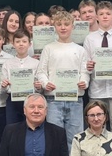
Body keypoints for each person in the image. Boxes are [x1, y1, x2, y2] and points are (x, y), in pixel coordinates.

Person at [36, 10, 90, 148]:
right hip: (53, 100)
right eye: (59, 24)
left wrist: (84, 82)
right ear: (54, 26)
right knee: (54, 139)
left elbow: (84, 72)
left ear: (73, 26)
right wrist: (46, 83)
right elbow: (41, 72)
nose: (63, 27)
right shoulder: (48, 48)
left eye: (66, 24)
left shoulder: (80, 50)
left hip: (75, 99)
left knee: (75, 139)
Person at [83, 1, 112, 142]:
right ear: (96, 16)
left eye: (108, 14)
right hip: (96, 90)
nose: (104, 17)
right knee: (95, 129)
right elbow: (85, 64)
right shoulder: (89, 38)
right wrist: (88, 66)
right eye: (101, 14)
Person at [1, 29, 41, 125]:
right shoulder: (7, 64)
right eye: (18, 42)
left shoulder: (36, 63)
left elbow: (39, 88)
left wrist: (38, 87)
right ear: (13, 44)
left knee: (31, 126)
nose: (21, 44)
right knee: (12, 128)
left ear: (29, 44)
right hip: (13, 101)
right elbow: (2, 90)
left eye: (24, 41)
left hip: (31, 100)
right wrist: (4, 86)